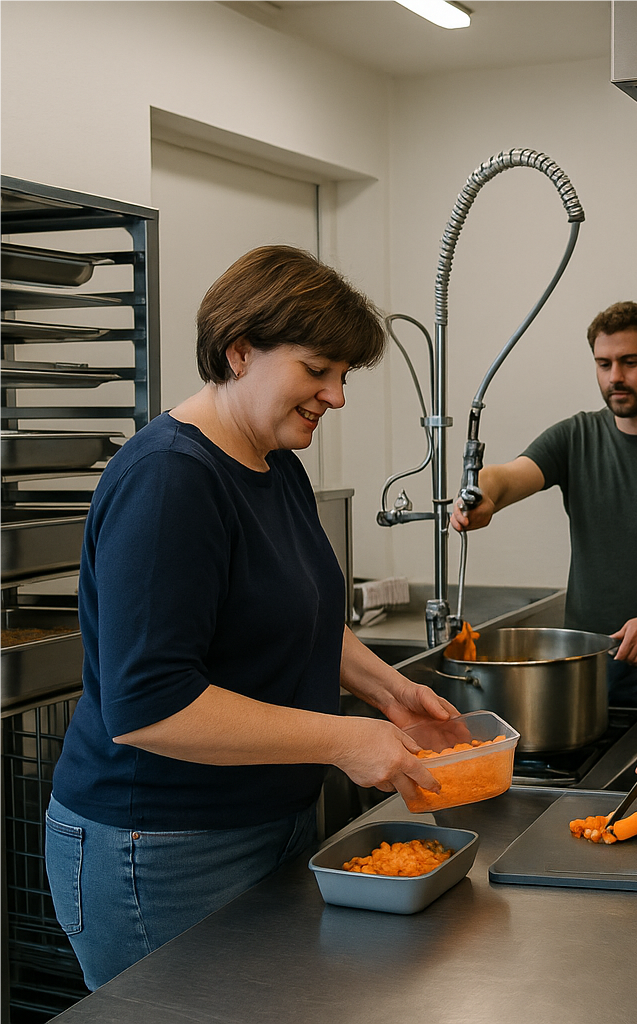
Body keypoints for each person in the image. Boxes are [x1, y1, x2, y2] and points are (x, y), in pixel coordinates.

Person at [45, 246, 459, 989]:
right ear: (239, 352)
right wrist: (342, 739)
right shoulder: (169, 481)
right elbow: (149, 706)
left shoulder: (276, 466)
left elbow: (302, 614)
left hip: (267, 823)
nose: (336, 397)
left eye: (343, 376)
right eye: (318, 370)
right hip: (159, 849)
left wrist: (391, 692)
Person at [451, 302, 637, 769]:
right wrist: (480, 493)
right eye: (604, 364)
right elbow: (509, 476)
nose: (615, 377)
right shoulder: (575, 437)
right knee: (584, 796)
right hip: (586, 669)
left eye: (630, 362)